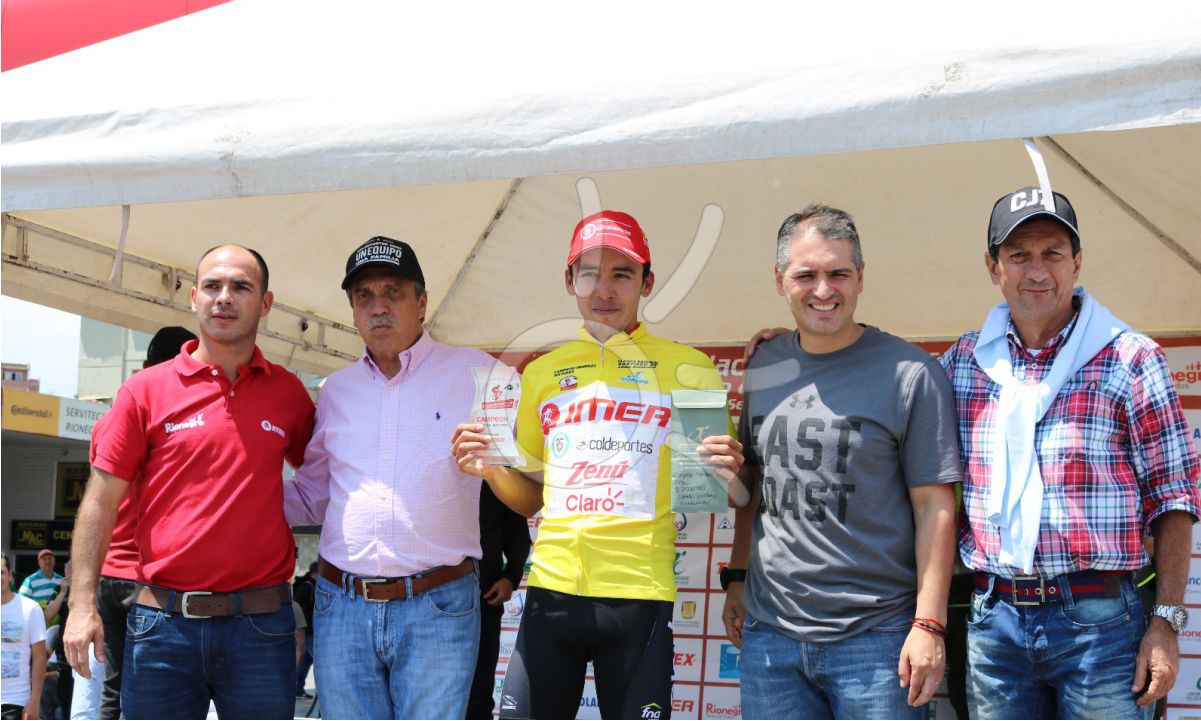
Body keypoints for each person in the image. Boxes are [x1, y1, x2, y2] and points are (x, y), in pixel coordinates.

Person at [452, 210, 744, 719]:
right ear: (569, 281)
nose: (604, 290)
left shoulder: (690, 368)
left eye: (622, 274)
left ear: (647, 282)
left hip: (639, 594)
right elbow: (531, 499)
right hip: (551, 593)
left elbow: (706, 492)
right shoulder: (543, 372)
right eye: (589, 273)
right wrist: (489, 468)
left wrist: (724, 469)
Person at [941, 186, 1201, 719]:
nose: (1037, 271)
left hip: (1102, 624)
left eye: (1052, 253)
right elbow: (888, 396)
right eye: (1019, 255)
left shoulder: (1131, 358)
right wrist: (807, 347)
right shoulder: (964, 361)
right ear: (993, 267)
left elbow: (1173, 498)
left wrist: (1166, 624)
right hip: (994, 619)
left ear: (1077, 262)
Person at [722, 204, 960, 719]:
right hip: (771, 638)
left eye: (839, 274)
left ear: (861, 278)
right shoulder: (764, 364)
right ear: (780, 281)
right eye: (805, 275)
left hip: (877, 640)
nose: (823, 290)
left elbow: (935, 508)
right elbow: (755, 483)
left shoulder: (911, 374)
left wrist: (929, 623)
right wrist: (737, 577)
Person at [63, 245, 315, 719]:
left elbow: (329, 477)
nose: (225, 297)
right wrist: (80, 605)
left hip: (261, 628)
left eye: (241, 287)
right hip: (163, 626)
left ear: (266, 303)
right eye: (213, 286)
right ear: (194, 297)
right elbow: (99, 502)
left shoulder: (289, 394)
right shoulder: (143, 391)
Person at [285, 236, 499, 719]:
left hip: (438, 605)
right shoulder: (336, 390)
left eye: (392, 292)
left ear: (421, 303)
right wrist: (235, 493)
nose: (378, 306)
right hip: (342, 606)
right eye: (364, 295)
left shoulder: (480, 374)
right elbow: (314, 496)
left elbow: (528, 469)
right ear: (352, 311)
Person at [91, 325, 196, 720]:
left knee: (113, 692)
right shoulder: (171, 422)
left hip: (108, 574)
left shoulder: (105, 423)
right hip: (148, 578)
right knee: (154, 697)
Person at [467, 484, 532, 719]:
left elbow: (519, 538)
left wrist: (510, 577)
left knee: (479, 690)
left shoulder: (495, 477)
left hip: (483, 597)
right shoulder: (430, 475)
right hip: (429, 599)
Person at [3, 551, 47, 721]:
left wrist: (35, 700)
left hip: (15, 701)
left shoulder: (30, 609)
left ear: (10, 576)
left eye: (1, 572)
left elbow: (40, 657)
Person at [291, 562, 317, 699]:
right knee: (319, 661)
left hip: (309, 629)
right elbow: (296, 605)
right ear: (314, 573)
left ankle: (298, 688)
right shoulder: (307, 587)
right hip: (307, 630)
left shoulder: (312, 585)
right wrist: (299, 627)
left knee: (306, 661)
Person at [19, 551, 62, 626]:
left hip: (57, 624)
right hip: (36, 623)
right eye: (44, 559)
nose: (47, 561)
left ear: (54, 561)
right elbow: (21, 602)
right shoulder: (30, 580)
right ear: (39, 563)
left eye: (50, 558)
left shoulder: (61, 580)